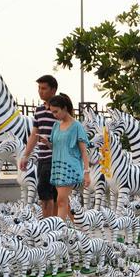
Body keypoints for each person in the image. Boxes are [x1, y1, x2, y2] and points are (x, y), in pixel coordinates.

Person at [47, 93, 90, 222]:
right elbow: (56, 147)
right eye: (52, 112)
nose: (54, 115)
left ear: (64, 108)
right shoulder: (56, 126)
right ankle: (79, 229)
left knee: (60, 200)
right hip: (57, 167)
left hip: (70, 167)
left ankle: (59, 230)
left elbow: (83, 151)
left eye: (56, 111)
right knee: (64, 201)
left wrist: (86, 172)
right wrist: (47, 143)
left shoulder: (77, 126)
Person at [20, 75, 58, 218]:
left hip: (56, 157)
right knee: (47, 194)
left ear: (53, 90)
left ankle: (51, 226)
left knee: (50, 193)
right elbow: (33, 135)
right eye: (39, 88)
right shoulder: (39, 110)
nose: (40, 91)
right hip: (42, 158)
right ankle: (52, 226)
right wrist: (25, 156)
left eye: (44, 88)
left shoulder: (59, 110)